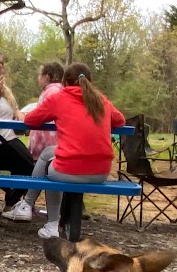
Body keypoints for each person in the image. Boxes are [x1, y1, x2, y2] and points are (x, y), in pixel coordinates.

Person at [17, 61, 125, 240]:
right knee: (49, 153)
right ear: (89, 81)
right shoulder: (101, 100)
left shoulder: (59, 98)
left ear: (65, 82)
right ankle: (27, 205)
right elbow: (120, 120)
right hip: (101, 172)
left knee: (49, 167)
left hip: (70, 170)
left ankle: (49, 222)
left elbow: (30, 120)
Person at [0, 48, 36, 221]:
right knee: (27, 165)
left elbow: (12, 108)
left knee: (28, 166)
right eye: (0, 63)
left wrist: (18, 112)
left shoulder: (5, 90)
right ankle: (4, 190)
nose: (3, 67)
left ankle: (11, 201)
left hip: (6, 140)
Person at [20, 60, 65, 217]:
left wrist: (25, 117)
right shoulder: (62, 91)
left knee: (35, 170)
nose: (38, 78)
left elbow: (36, 118)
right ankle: (50, 211)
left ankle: (27, 205)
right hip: (60, 145)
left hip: (46, 146)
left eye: (40, 75)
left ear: (47, 76)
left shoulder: (50, 92)